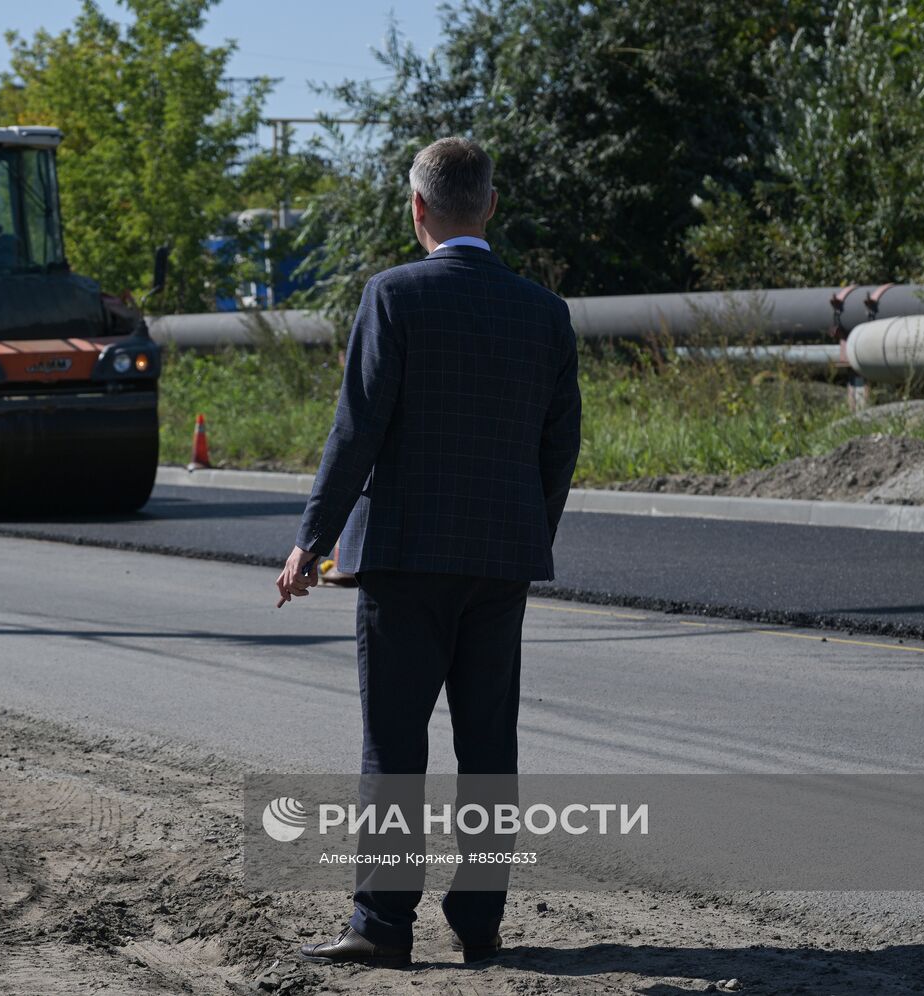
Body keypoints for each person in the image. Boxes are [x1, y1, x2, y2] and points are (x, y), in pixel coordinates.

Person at [274, 137, 581, 968]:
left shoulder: (393, 296)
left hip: (405, 562)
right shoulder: (545, 313)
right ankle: (480, 923)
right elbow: (560, 450)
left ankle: (381, 927)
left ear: (417, 209)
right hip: (501, 562)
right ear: (488, 206)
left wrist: (311, 540)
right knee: (490, 745)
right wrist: (526, 535)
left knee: (395, 745)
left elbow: (358, 429)